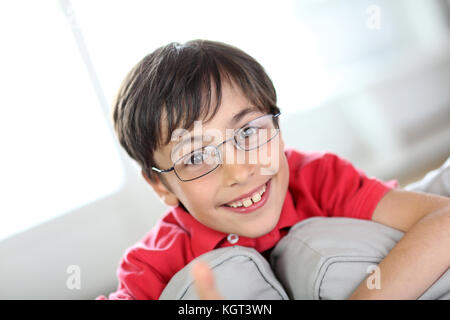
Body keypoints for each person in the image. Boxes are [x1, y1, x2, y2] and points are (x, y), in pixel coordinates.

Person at [97, 39, 450, 300]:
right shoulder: (153, 265)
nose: (238, 172)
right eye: (195, 156)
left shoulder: (316, 178)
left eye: (249, 132)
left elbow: (443, 220)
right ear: (161, 186)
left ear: (278, 132)